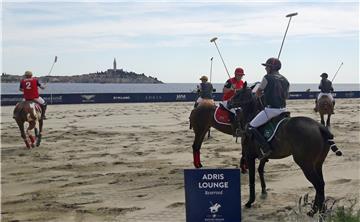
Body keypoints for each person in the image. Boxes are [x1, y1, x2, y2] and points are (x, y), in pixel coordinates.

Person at [247, 58, 290, 160]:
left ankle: (265, 149)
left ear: (271, 68)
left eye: (267, 66)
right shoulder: (286, 80)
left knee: (250, 127)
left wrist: (262, 94)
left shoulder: (267, 77)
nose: (265, 68)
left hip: (270, 111)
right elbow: (286, 96)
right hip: (283, 110)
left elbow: (258, 93)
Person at [222, 67, 245, 137]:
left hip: (236, 102)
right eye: (239, 75)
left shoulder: (242, 82)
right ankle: (236, 130)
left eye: (241, 75)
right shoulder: (230, 81)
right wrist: (231, 89)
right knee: (236, 112)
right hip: (227, 101)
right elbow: (223, 90)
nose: (240, 76)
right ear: (235, 74)